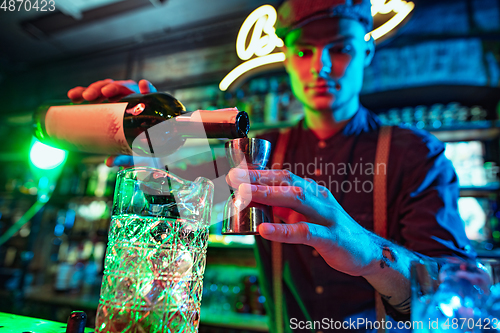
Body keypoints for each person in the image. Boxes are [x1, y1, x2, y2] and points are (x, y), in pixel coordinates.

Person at [67, 0, 474, 331]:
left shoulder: (415, 153)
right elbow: (173, 205)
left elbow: (460, 297)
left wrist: (367, 250)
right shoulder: (258, 151)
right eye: (303, 51)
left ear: (366, 51)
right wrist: (146, 141)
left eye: (341, 48)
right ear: (286, 58)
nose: (321, 67)